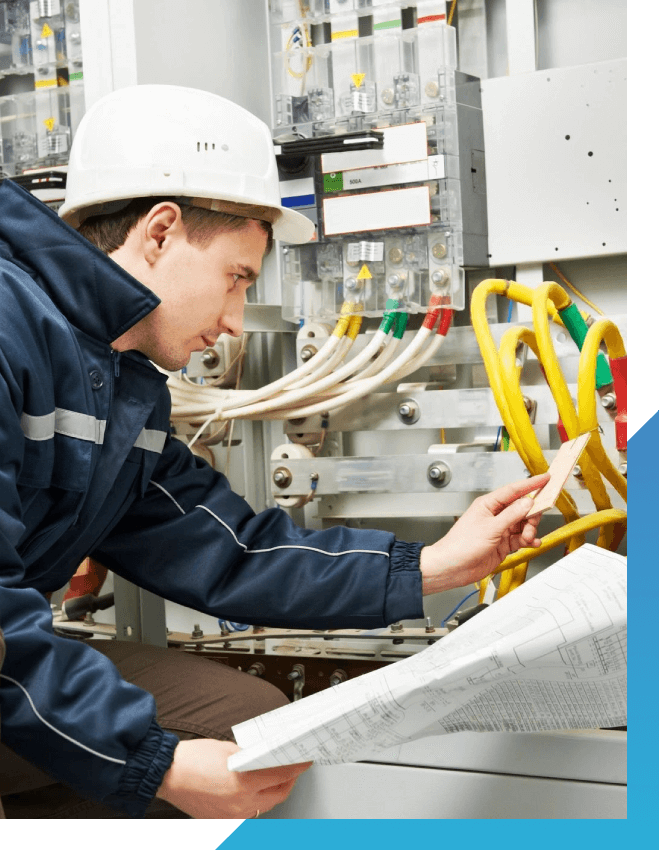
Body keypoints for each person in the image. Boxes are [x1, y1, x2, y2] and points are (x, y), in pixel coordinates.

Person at [0, 85, 549, 820]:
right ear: (159, 232)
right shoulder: (10, 335)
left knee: (240, 719)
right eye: (236, 279)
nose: (233, 322)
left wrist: (430, 567)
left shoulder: (122, 388)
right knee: (161, 759)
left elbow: (228, 551)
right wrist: (150, 761)